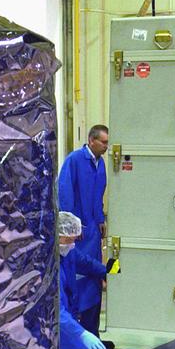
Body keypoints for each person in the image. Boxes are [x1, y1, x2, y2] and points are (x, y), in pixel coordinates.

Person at [58, 124, 109, 335]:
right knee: (79, 277)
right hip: (77, 234)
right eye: (103, 142)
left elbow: (98, 195)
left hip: (92, 232)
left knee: (94, 278)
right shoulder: (74, 160)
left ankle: (93, 332)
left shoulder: (101, 164)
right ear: (91, 140)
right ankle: (77, 333)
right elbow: (65, 191)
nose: (106, 146)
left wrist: (100, 219)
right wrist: (70, 227)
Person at [57, 211, 106, 349]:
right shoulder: (45, 265)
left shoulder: (68, 250)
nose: (71, 243)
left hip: (66, 315)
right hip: (52, 322)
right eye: (68, 239)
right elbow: (56, 311)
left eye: (73, 239)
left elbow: (87, 263)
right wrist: (81, 334)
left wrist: (111, 273)